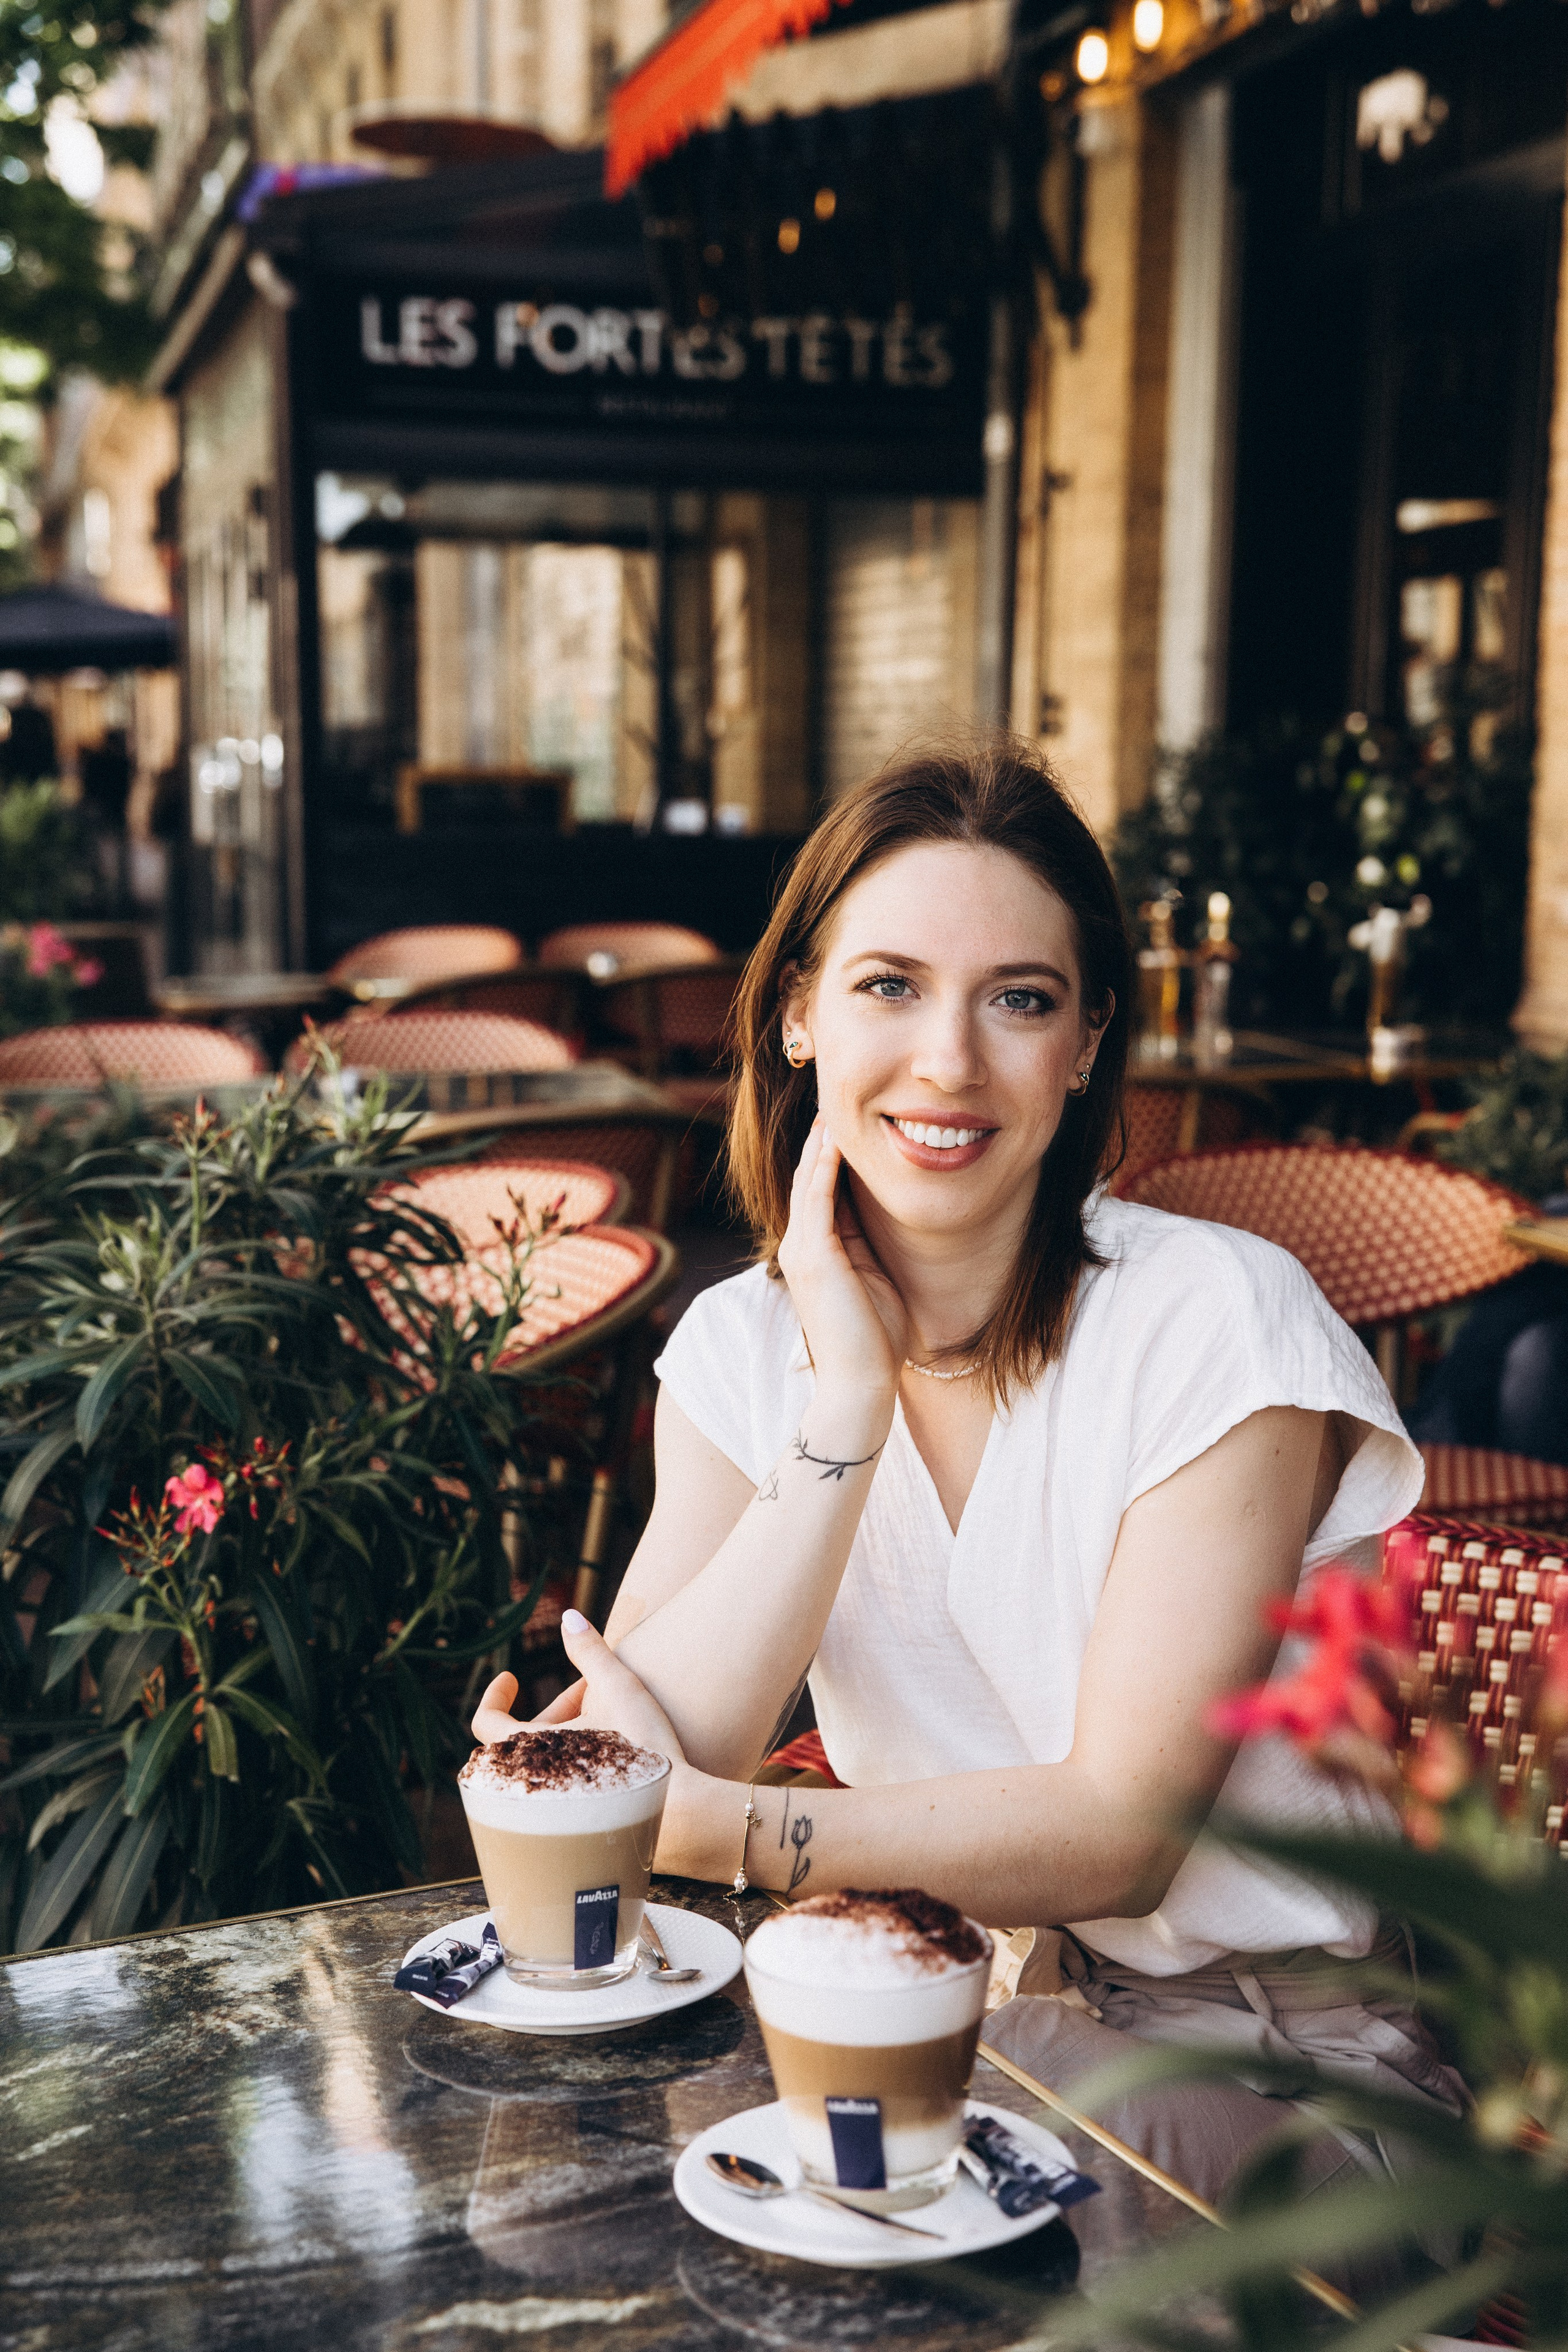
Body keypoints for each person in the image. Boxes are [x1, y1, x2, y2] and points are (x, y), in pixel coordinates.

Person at [473, 740, 1462, 2233]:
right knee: (546, 2211)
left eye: (1019, 999)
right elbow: (649, 1762)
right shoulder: (743, 1347)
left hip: (1282, 2081)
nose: (949, 1060)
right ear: (796, 1011)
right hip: (939, 2024)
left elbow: (1117, 1827)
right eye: (887, 986)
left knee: (776, 2191)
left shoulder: (1214, 1323)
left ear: (1083, 1045)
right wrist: (846, 1402)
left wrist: (727, 1829)